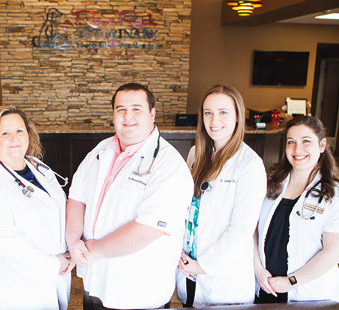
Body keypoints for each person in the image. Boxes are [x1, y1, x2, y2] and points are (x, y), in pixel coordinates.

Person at [66, 83, 193, 309]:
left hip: (137, 289)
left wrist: (92, 249)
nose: (127, 116)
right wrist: (74, 240)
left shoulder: (169, 164)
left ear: (152, 114)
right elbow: (77, 198)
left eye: (136, 109)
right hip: (95, 280)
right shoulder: (100, 151)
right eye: (120, 109)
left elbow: (148, 228)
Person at [0, 105, 71, 310]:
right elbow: (4, 243)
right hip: (10, 291)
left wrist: (70, 251)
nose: (15, 138)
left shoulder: (38, 168)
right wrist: (55, 264)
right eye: (5, 133)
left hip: (49, 280)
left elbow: (56, 212)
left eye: (19, 131)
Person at [176, 84, 267, 307]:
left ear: (237, 116)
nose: (214, 120)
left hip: (221, 279)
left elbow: (241, 229)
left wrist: (203, 265)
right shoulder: (196, 154)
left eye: (223, 112)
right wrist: (178, 251)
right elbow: (185, 210)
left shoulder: (250, 165)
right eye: (208, 113)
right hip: (188, 268)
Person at [254, 116, 339, 303]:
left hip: (309, 296)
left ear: (322, 144)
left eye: (306, 141)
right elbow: (252, 229)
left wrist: (291, 282)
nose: (297, 149)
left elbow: (332, 252)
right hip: (265, 288)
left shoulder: (334, 195)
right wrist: (259, 270)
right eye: (291, 142)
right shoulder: (271, 183)